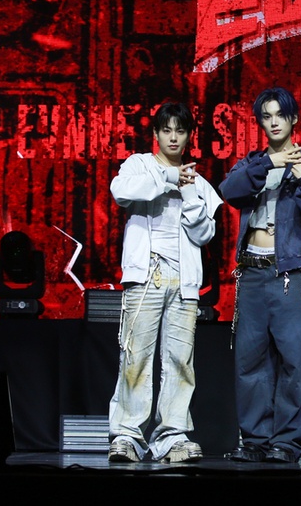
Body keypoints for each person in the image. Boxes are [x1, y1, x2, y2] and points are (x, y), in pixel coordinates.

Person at [217, 87, 301, 463]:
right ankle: (255, 441)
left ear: (293, 119)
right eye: (266, 116)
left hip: (289, 275)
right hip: (252, 272)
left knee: (295, 361)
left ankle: (287, 442)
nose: (273, 122)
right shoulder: (252, 162)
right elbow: (229, 190)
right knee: (250, 361)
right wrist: (269, 163)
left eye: (280, 115)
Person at [107, 102, 221, 464]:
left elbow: (204, 234)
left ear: (189, 137)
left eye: (180, 131)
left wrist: (188, 191)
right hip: (147, 275)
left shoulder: (198, 182)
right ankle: (127, 435)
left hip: (184, 280)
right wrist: (169, 178)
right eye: (167, 130)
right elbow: (121, 191)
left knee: (180, 360)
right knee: (136, 356)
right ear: (156, 133)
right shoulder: (140, 165)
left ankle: (172, 436)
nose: (173, 138)